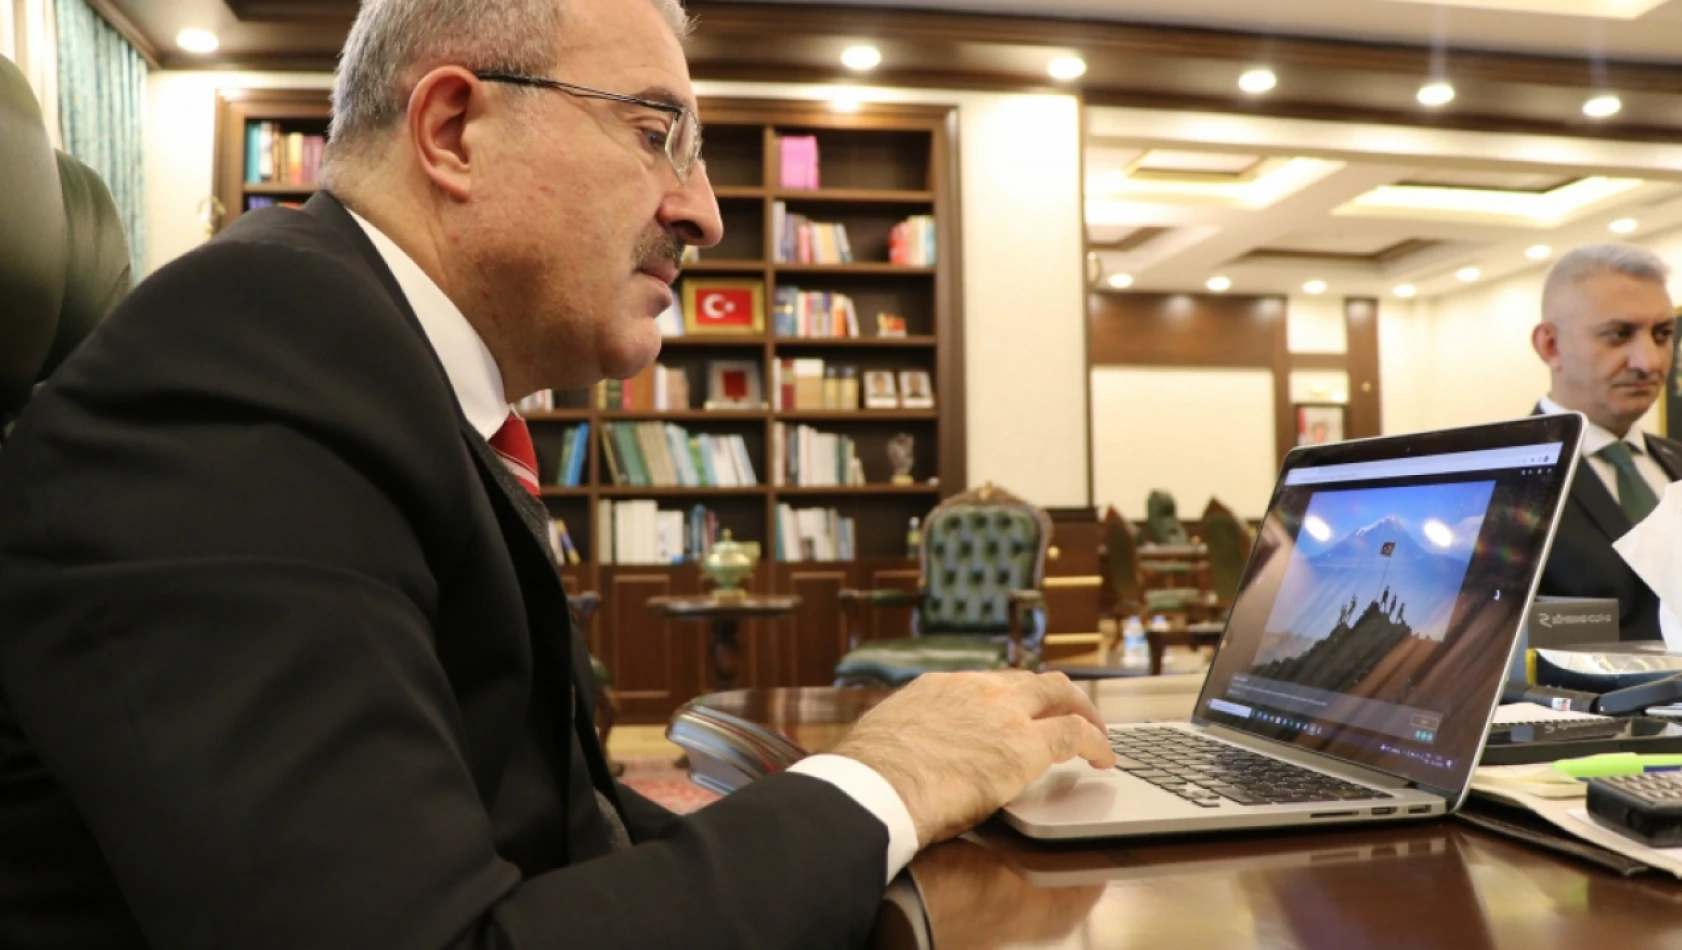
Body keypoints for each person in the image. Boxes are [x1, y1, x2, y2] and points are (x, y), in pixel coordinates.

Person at [0, 0, 1114, 946]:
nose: (704, 211)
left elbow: (553, 824)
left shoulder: (370, 371)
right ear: (453, 129)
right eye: (655, 133)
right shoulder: (244, 363)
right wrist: (885, 780)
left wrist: (880, 809)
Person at [1530, 243, 1682, 641]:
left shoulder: (1678, 464)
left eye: (1663, 334)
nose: (1648, 362)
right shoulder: (1506, 478)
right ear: (1550, 345)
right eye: (1618, 335)